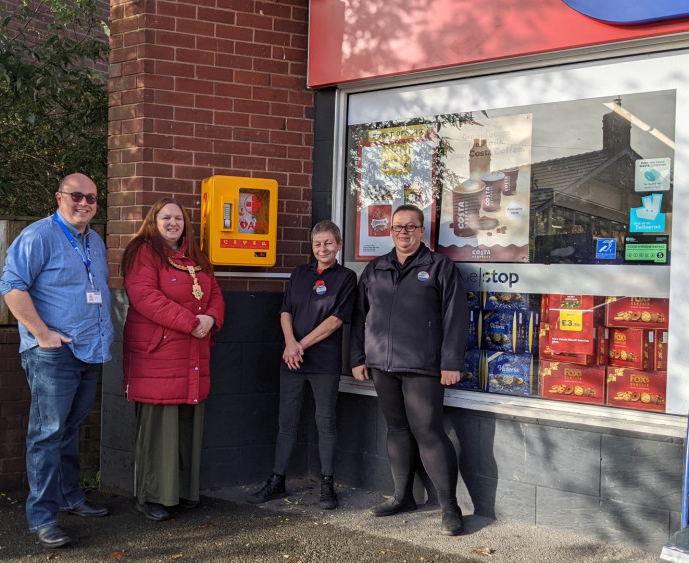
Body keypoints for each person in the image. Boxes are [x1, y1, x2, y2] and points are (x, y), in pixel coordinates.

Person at [0, 173, 114, 549]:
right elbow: (11, 287)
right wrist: (43, 334)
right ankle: (43, 517)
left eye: (92, 198)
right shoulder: (39, 235)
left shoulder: (95, 241)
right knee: (46, 434)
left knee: (68, 430)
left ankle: (70, 497)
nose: (84, 204)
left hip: (90, 350)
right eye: (76, 196)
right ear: (59, 197)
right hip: (53, 353)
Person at [350, 204, 469, 536]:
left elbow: (455, 317)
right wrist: (358, 358)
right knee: (397, 430)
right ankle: (403, 496)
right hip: (382, 366)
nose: (403, 233)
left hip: (423, 366)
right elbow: (360, 317)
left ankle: (450, 508)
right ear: (390, 231)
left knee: (429, 433)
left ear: (422, 231)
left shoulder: (439, 267)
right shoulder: (375, 269)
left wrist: (451, 363)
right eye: (397, 227)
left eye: (410, 227)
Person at [121, 198, 225, 522]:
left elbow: (216, 294)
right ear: (154, 220)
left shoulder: (195, 256)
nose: (172, 223)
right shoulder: (143, 252)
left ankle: (180, 492)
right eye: (165, 217)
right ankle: (153, 497)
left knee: (185, 425)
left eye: (178, 218)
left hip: (192, 353)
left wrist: (211, 318)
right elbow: (145, 298)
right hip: (159, 356)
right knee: (158, 428)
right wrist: (192, 322)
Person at [247, 220, 357, 510]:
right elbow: (285, 311)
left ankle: (326, 484)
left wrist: (300, 345)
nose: (323, 248)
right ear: (312, 246)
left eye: (328, 243)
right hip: (292, 360)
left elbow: (335, 321)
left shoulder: (346, 278)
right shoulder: (299, 274)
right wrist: (289, 343)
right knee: (286, 421)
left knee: (326, 423)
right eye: (317, 243)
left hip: (323, 363)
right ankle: (277, 479)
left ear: (339, 245)